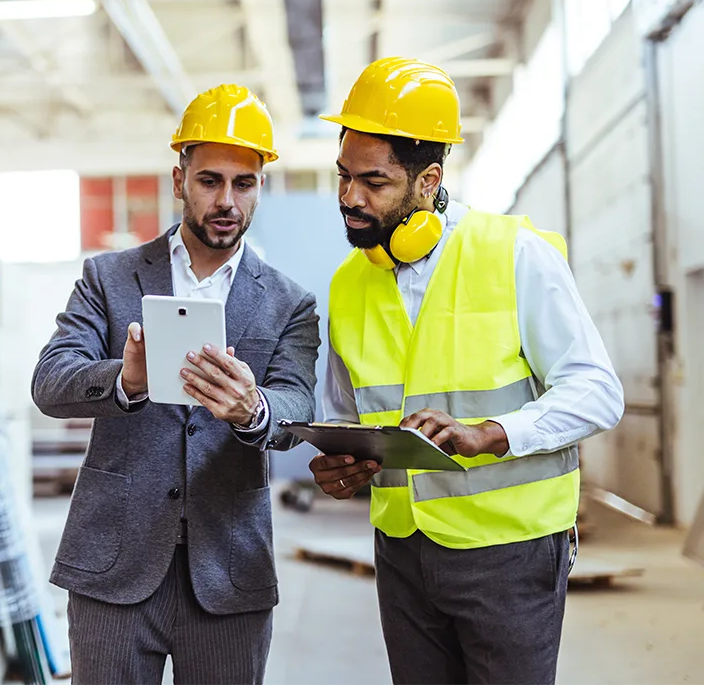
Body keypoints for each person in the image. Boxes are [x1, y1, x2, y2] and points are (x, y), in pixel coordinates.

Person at [309, 57, 624, 686]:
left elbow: (597, 391)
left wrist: (492, 433)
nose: (350, 198)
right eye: (343, 176)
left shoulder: (514, 254)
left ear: (429, 181)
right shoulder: (348, 284)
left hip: (510, 552)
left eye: (373, 181)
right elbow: (345, 416)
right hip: (402, 552)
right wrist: (340, 465)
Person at [32, 83, 320, 686]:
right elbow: (51, 381)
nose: (227, 201)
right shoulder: (109, 277)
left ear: (260, 187)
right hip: (114, 567)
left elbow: (296, 408)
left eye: (244, 184)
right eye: (210, 181)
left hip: (229, 571)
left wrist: (253, 408)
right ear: (178, 180)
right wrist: (126, 380)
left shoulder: (289, 302)